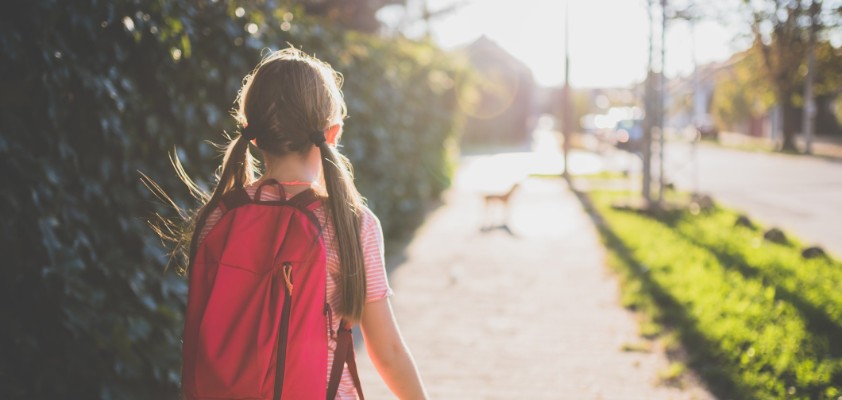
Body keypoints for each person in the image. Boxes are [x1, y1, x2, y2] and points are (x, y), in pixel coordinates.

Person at [181, 48, 428, 399]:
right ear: (333, 132)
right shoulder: (350, 224)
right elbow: (387, 352)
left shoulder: (218, 217)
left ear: (254, 135)